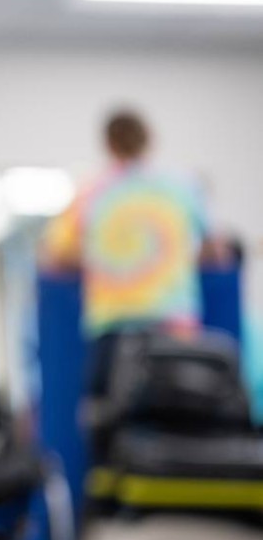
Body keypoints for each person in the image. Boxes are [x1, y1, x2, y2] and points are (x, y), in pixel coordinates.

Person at [40, 109, 212, 401]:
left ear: (108, 144)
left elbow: (54, 256)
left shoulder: (91, 191)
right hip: (174, 324)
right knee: (177, 420)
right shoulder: (182, 186)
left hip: (114, 324)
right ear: (149, 140)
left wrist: (101, 255)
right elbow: (212, 250)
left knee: (107, 418)